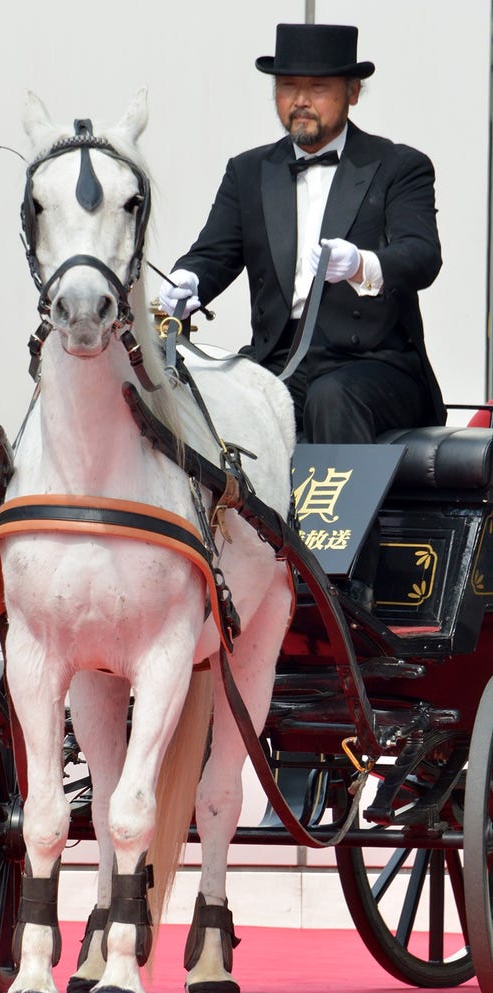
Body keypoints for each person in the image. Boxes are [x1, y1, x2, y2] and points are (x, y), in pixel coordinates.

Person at [159, 24, 445, 605]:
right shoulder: (248, 171)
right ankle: (218, 568)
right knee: (214, 399)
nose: (300, 101)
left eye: (317, 87)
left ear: (352, 93)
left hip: (376, 363)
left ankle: (344, 583)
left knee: (330, 397)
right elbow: (215, 254)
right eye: (288, 86)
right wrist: (188, 282)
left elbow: (422, 255)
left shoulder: (398, 166)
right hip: (280, 360)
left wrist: (364, 263)